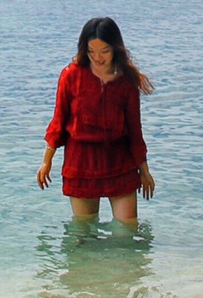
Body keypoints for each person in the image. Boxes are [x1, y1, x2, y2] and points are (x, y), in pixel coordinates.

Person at [37, 17, 155, 224]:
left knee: (128, 232)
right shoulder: (70, 76)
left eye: (105, 51)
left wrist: (144, 170)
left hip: (120, 162)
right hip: (81, 163)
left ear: (116, 49)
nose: (98, 58)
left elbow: (135, 130)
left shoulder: (126, 80)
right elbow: (59, 121)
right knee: (84, 234)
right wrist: (47, 161)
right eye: (92, 52)